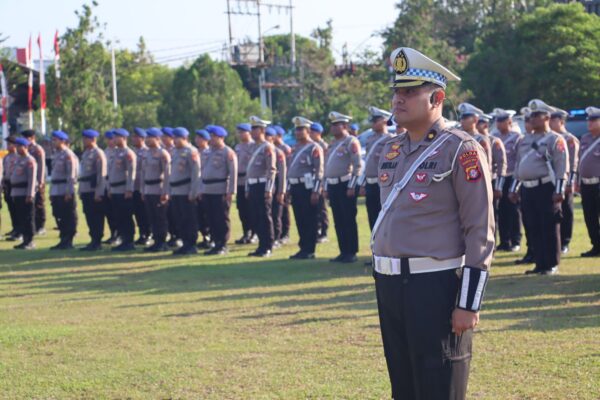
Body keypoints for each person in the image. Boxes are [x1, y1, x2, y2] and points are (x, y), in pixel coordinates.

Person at [373, 47, 494, 399]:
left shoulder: (461, 148)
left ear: (437, 97)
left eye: (410, 92)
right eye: (397, 91)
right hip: (390, 282)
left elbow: (481, 231)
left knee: (439, 384)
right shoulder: (390, 149)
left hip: (435, 285)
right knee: (404, 385)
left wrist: (468, 303)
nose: (398, 99)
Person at [509, 99, 569, 275]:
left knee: (548, 226)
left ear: (547, 117)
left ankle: (551, 264)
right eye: (531, 116)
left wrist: (559, 190)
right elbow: (518, 167)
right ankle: (539, 263)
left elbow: (561, 166)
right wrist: (514, 188)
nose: (532, 119)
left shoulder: (555, 139)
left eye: (536, 115)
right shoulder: (524, 140)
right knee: (532, 226)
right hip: (527, 189)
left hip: (546, 188)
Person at [323, 111, 362, 263]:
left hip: (346, 184)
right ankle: (343, 251)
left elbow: (358, 165)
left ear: (344, 126)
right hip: (333, 185)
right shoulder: (332, 143)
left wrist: (352, 186)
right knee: (338, 220)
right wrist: (325, 187)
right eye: (332, 125)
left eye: (336, 125)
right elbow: (327, 167)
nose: (332, 128)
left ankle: (351, 251)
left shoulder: (351, 142)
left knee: (348, 219)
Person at [288, 116, 324, 259]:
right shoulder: (295, 148)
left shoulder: (314, 147)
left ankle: (310, 249)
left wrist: (316, 190)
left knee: (310, 218)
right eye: (296, 129)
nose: (297, 132)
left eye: (301, 129)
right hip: (296, 186)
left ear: (308, 130)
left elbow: (318, 171)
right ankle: (303, 247)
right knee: (300, 218)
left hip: (307, 187)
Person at [198, 125, 237, 255]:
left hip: (220, 189)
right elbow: (202, 172)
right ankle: (215, 242)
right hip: (207, 189)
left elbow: (233, 173)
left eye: (213, 136)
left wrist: (230, 191)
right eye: (210, 136)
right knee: (211, 218)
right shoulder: (207, 152)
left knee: (221, 218)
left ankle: (223, 244)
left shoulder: (227, 152)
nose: (211, 139)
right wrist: (200, 189)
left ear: (221, 137)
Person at [358, 106, 394, 231]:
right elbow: (367, 163)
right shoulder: (369, 139)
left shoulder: (390, 139)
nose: (372, 124)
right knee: (371, 215)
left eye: (375, 121)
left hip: (383, 183)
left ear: (384, 121)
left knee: (383, 216)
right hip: (370, 182)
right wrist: (362, 183)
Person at [492, 108, 523, 252]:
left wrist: (517, 180)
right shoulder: (495, 137)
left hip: (513, 177)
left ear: (509, 122)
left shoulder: (517, 138)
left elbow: (519, 160)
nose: (498, 124)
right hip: (500, 177)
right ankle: (504, 241)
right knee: (501, 210)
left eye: (501, 121)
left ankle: (515, 240)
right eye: (497, 121)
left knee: (513, 209)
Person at [246, 116, 277, 257]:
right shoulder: (252, 147)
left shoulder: (267, 147)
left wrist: (269, 188)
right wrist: (247, 187)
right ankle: (260, 245)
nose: (252, 131)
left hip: (263, 185)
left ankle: (268, 246)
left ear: (262, 130)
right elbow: (249, 170)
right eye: (251, 128)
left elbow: (272, 169)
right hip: (253, 184)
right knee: (256, 216)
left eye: (255, 128)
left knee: (265, 216)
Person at [550, 108, 580, 254]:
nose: (549, 122)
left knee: (566, 212)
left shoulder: (569, 139)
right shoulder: (550, 138)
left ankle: (565, 242)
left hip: (565, 180)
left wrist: (570, 183)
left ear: (561, 121)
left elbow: (573, 163)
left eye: (553, 120)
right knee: (555, 213)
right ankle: (556, 241)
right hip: (551, 180)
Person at [169, 127, 201, 255]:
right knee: (179, 219)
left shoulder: (191, 152)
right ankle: (184, 243)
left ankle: (191, 244)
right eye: (174, 138)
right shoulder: (175, 151)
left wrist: (193, 192)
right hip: (176, 191)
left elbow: (196, 173)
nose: (174, 140)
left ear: (185, 138)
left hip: (186, 190)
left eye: (177, 138)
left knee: (189, 219)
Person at [141, 127, 171, 252]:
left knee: (160, 217)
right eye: (147, 137)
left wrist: (165, 191)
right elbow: (143, 173)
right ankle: (156, 240)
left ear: (157, 139)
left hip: (158, 188)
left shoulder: (163, 154)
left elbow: (167, 174)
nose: (147, 139)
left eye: (150, 137)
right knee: (151, 217)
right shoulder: (146, 153)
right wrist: (143, 190)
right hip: (148, 189)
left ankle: (162, 242)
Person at [48, 130, 79, 250]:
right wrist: (51, 192)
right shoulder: (56, 154)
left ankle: (68, 240)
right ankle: (63, 238)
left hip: (64, 190)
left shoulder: (68, 155)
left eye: (55, 140)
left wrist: (69, 191)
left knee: (68, 215)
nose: (53, 142)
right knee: (58, 214)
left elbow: (71, 176)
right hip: (56, 189)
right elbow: (54, 176)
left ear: (63, 141)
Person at [108, 128, 137, 251]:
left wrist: (129, 189)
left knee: (126, 216)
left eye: (116, 137)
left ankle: (129, 241)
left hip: (123, 190)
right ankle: (123, 239)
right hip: (114, 189)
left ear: (124, 138)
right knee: (118, 216)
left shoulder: (128, 153)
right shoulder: (114, 152)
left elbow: (132, 173)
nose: (113, 139)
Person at [577, 106, 600, 257]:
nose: (589, 123)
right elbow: (580, 161)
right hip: (586, 184)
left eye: (593, 120)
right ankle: (596, 245)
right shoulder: (585, 138)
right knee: (589, 217)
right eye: (589, 120)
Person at [78, 129, 107, 251]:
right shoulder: (86, 153)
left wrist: (99, 192)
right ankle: (93, 240)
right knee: (89, 215)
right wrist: (80, 190)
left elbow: (102, 174)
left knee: (96, 216)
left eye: (86, 138)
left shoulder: (98, 153)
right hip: (85, 188)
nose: (84, 141)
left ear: (93, 139)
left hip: (94, 190)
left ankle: (97, 240)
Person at [10, 137, 37, 249]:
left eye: (19, 146)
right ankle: (25, 240)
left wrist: (30, 194)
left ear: (25, 147)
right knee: (21, 217)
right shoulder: (18, 160)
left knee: (28, 217)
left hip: (25, 193)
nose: (16, 148)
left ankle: (30, 241)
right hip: (17, 193)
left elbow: (32, 179)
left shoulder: (30, 160)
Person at [234, 123, 257, 244]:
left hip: (250, 180)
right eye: (239, 132)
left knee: (251, 208)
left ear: (249, 132)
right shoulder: (238, 146)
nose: (240, 134)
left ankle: (254, 233)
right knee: (242, 209)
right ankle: (246, 232)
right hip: (240, 181)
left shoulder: (254, 146)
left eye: (242, 132)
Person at [21, 129, 46, 235]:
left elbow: (41, 166)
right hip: (29, 181)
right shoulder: (26, 149)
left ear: (32, 138)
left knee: (39, 203)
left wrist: (40, 181)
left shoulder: (37, 149)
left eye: (26, 138)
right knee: (32, 205)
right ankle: (34, 225)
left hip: (37, 180)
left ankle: (41, 226)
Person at [265, 126, 287, 248]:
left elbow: (282, 172)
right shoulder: (264, 150)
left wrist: (281, 191)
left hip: (277, 183)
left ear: (272, 138)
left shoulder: (278, 152)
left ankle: (277, 237)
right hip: (267, 182)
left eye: (268, 136)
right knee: (268, 212)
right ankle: (270, 237)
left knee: (276, 212)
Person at [310, 122, 329, 243]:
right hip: (312, 180)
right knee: (314, 208)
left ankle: (324, 232)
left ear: (319, 133)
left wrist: (323, 183)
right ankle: (316, 230)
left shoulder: (324, 146)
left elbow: (324, 166)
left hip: (322, 180)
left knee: (322, 208)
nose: (310, 134)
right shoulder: (311, 146)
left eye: (313, 132)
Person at [161, 126, 181, 248]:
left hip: (178, 187)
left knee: (177, 215)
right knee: (169, 213)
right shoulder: (165, 150)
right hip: (169, 186)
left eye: (165, 136)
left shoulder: (176, 151)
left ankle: (179, 236)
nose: (163, 138)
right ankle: (173, 235)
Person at [131, 127, 151, 246]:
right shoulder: (132, 151)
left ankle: (148, 234)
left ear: (142, 139)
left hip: (143, 187)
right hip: (133, 187)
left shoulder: (146, 151)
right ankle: (142, 233)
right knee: (137, 212)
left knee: (145, 213)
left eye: (135, 137)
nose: (133, 139)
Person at [272, 124, 292, 244]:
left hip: (284, 179)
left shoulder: (285, 149)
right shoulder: (271, 148)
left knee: (284, 208)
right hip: (274, 180)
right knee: (276, 209)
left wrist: (286, 185)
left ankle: (285, 233)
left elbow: (288, 167)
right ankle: (277, 233)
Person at [194, 129, 213, 249]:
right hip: (196, 187)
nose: (196, 140)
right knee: (199, 215)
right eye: (196, 137)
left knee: (208, 215)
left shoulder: (209, 153)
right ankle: (205, 236)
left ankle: (211, 237)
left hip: (205, 187)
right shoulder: (195, 152)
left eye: (199, 138)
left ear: (206, 140)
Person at [102, 130, 120, 245]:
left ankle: (119, 235)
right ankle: (113, 233)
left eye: (111, 139)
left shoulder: (119, 152)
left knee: (117, 212)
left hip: (116, 185)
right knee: (108, 212)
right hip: (106, 184)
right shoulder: (105, 152)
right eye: (108, 139)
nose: (109, 141)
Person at [2, 136, 19, 240]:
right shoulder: (6, 157)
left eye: (10, 144)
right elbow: (4, 171)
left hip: (16, 184)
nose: (8, 146)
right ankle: (14, 228)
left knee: (17, 208)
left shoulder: (18, 156)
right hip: (8, 184)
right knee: (11, 208)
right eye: (7, 144)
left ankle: (19, 229)